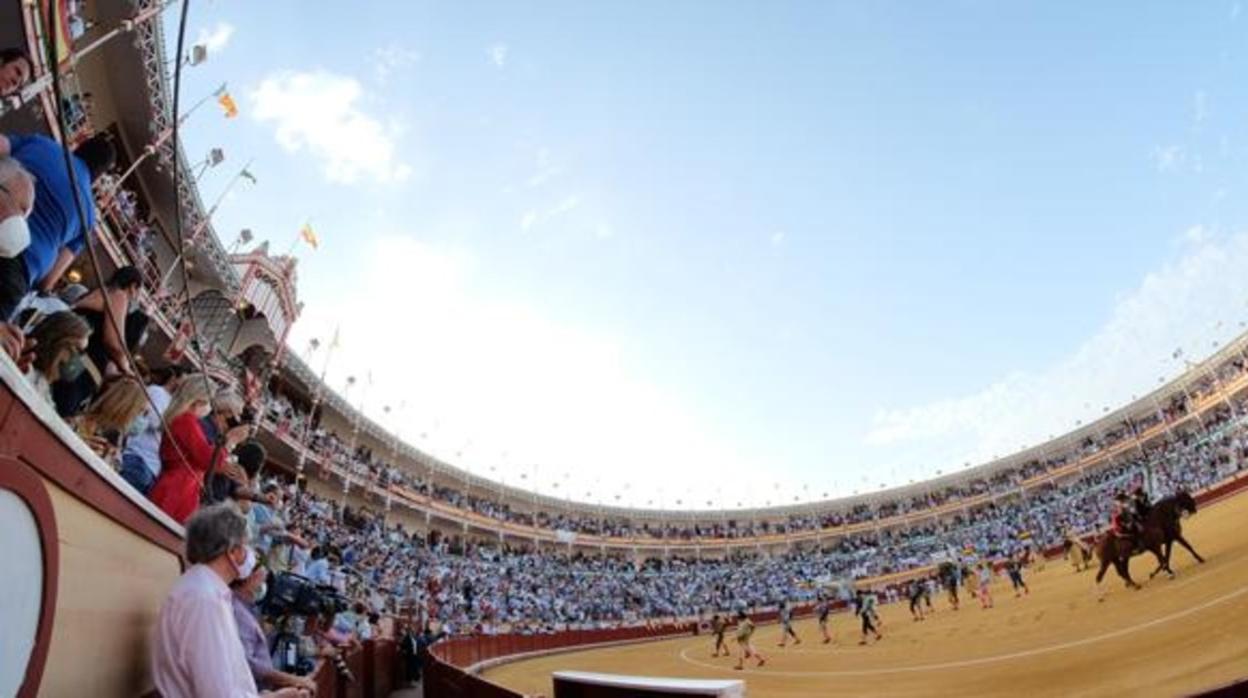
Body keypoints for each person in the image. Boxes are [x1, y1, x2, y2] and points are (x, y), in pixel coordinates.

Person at [150, 502, 306, 698]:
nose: (250, 554)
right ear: (232, 552)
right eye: (246, 545)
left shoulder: (208, 591)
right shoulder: (204, 599)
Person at [0, 132, 115, 321]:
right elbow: (50, 279)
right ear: (99, 175)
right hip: (17, 272)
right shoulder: (88, 216)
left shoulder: (42, 143)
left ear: (80, 146)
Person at [148, 375, 250, 524]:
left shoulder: (186, 420)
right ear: (199, 400)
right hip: (177, 488)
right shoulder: (187, 420)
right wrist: (230, 441)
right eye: (208, 402)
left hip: (183, 487)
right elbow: (207, 459)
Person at [230, 562, 318, 694]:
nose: (264, 586)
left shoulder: (249, 608)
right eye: (262, 580)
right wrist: (294, 680)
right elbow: (250, 664)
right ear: (249, 579)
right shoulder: (238, 612)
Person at [119, 365, 177, 494]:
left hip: (153, 470)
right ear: (174, 378)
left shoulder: (176, 405)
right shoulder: (157, 392)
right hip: (138, 458)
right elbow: (152, 420)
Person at [72, 374, 146, 464]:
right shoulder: (111, 436)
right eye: (140, 411)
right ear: (127, 409)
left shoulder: (119, 437)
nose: (139, 417)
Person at [22, 309, 89, 406]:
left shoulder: (46, 394)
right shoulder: (23, 371)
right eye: (78, 350)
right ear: (55, 342)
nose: (78, 359)